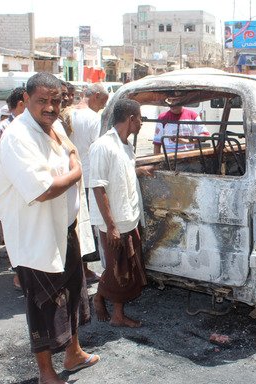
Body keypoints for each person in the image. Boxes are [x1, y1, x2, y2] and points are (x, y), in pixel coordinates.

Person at [0, 72, 99, 382]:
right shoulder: (17, 137)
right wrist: (77, 173)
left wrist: (72, 160)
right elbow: (43, 190)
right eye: (43, 101)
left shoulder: (51, 128)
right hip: (36, 236)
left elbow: (70, 150)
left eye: (56, 101)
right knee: (43, 304)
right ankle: (45, 373)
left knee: (73, 292)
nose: (50, 107)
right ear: (25, 100)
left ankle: (73, 354)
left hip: (63, 227)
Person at [88, 99, 152, 328]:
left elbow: (119, 172)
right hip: (113, 221)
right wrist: (111, 225)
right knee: (118, 268)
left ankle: (103, 300)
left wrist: (138, 171)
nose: (142, 124)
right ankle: (115, 312)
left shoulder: (125, 146)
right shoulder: (103, 146)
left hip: (129, 217)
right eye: (141, 119)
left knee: (127, 266)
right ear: (131, 119)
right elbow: (98, 186)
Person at [68, 83, 109, 283]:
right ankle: (84, 269)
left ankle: (77, 269)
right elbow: (98, 149)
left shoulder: (68, 115)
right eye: (102, 102)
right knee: (87, 227)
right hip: (88, 176)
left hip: (71, 176)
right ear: (95, 96)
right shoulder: (94, 119)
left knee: (73, 224)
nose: (102, 106)